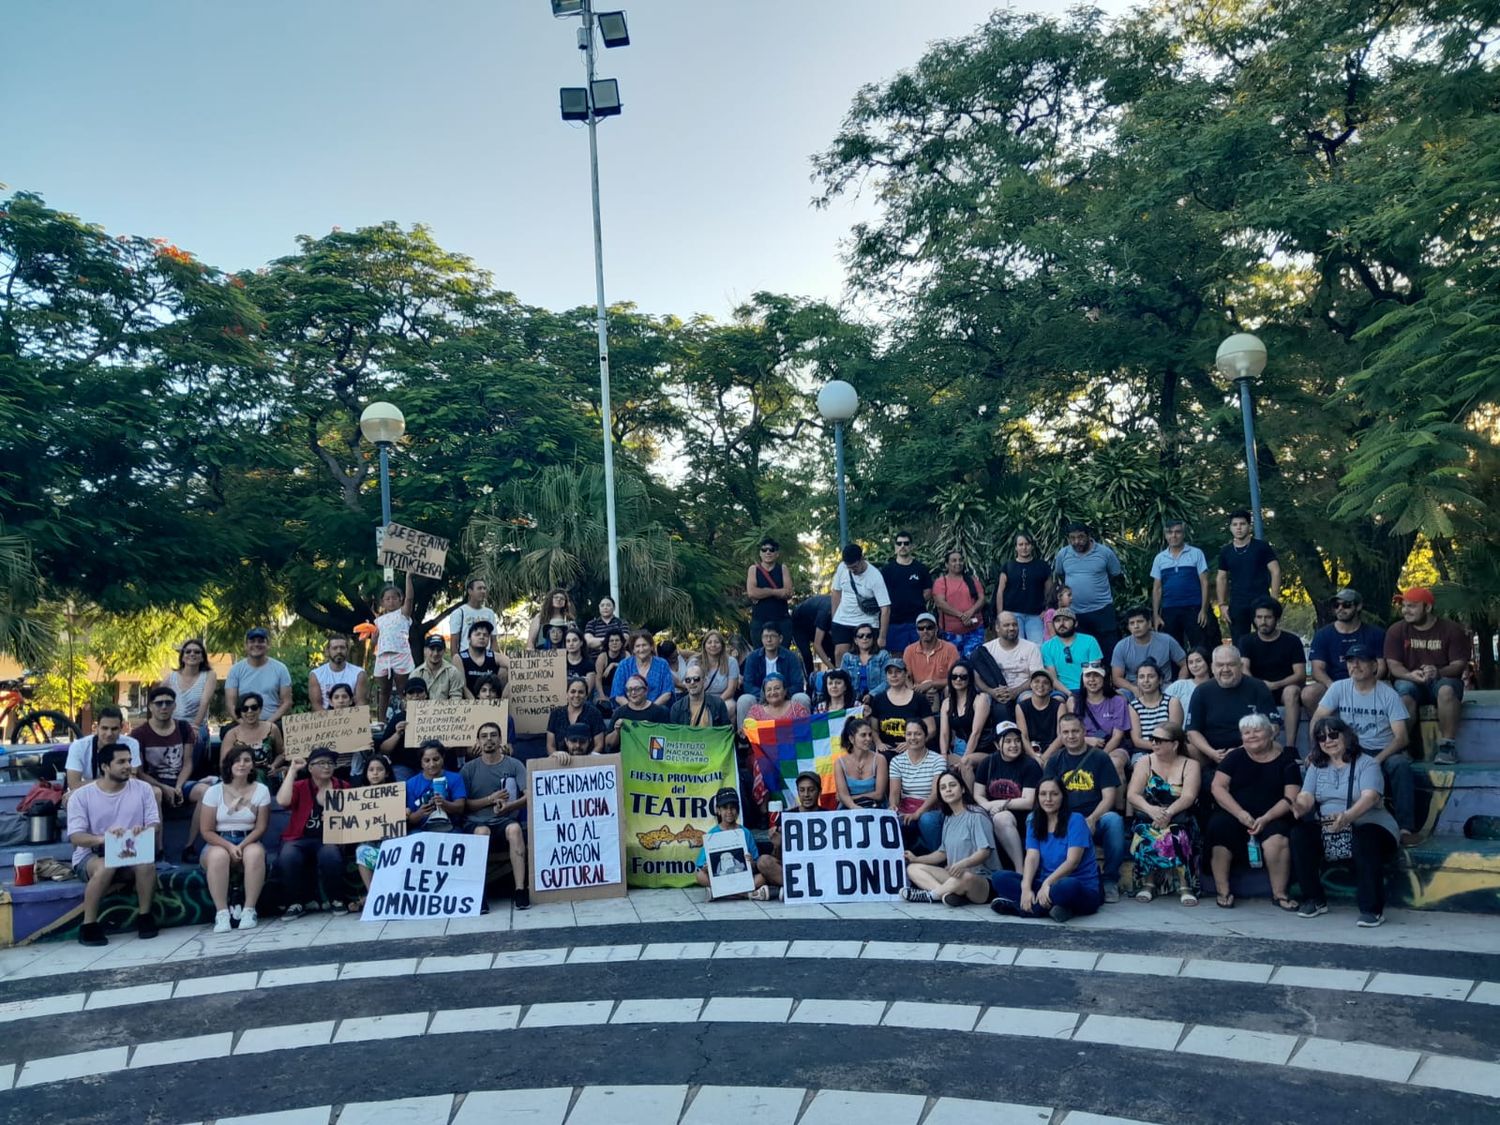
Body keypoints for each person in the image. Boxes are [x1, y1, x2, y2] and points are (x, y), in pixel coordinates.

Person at [1292, 716, 1401, 926]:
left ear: (1346, 736)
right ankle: (1314, 899)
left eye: (1333, 734)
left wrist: (1348, 817)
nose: (1328, 741)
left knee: (1364, 836)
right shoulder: (1316, 765)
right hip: (1331, 828)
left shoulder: (1367, 763)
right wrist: (1300, 806)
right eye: (1321, 737)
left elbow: (1371, 797)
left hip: (1371, 825)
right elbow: (1307, 795)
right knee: (1300, 834)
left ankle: (1372, 909)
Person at [1310, 645, 1416, 841]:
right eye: (1350, 661)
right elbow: (1318, 719)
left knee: (1400, 765)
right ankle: (1319, 825)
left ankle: (1406, 829)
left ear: (1375, 666)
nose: (1355, 665)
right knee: (1313, 766)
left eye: (1361, 660)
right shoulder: (1338, 688)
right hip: (1349, 747)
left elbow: (1402, 738)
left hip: (1381, 749)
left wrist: (1376, 760)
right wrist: (1316, 749)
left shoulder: (1388, 694)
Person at [67, 742, 160, 946]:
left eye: (129, 760)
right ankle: (89, 925)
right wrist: (102, 839)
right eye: (121, 762)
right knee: (105, 866)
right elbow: (76, 837)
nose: (128, 765)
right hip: (92, 854)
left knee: (146, 864)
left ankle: (145, 917)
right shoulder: (82, 796)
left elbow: (154, 823)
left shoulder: (144, 789)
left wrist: (144, 830)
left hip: (131, 850)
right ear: (105, 767)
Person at [1207, 714, 1301, 910]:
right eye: (1246, 733)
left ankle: (1279, 894)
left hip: (1273, 814)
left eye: (1257, 731)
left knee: (1278, 838)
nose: (1251, 736)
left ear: (1271, 733)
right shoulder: (1234, 757)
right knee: (1219, 827)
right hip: (1236, 813)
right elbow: (1218, 787)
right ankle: (1223, 891)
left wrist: (1266, 818)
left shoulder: (1287, 759)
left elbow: (1291, 797)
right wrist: (1240, 813)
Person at [989, 777, 1104, 921]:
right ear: (1037, 797)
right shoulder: (1035, 821)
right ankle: (1058, 908)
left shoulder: (1076, 820)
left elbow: (1072, 862)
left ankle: (1023, 909)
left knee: (1068, 886)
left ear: (1063, 796)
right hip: (1045, 886)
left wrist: (1047, 883)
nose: (1048, 799)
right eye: (1043, 794)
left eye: (1054, 794)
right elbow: (1032, 857)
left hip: (1079, 887)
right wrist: (1026, 887)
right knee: (999, 878)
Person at [1042, 714, 1124, 902]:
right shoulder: (1055, 760)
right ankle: (1045, 876)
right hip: (1064, 819)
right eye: (1066, 732)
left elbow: (1109, 797)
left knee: (1114, 821)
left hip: (1093, 818)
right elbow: (1046, 796)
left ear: (1084, 732)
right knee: (1032, 820)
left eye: (1075, 731)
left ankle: (1110, 880)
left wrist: (1093, 818)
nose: (1071, 736)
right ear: (1060, 735)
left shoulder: (1100, 758)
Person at [1384, 586, 1470, 764]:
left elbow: (1459, 664)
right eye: (1404, 606)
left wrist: (1438, 672)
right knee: (1404, 692)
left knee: (1446, 690)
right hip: (1411, 681)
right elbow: (1393, 665)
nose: (1405, 610)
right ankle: (1402, 746)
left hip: (1442, 681)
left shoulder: (1451, 630)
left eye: (1412, 606)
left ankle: (1447, 747)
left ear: (1428, 607)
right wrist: (1410, 675)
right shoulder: (1396, 630)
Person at [1126, 722, 1202, 906]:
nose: (1154, 743)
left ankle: (1185, 885)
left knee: (1177, 835)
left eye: (1159, 740)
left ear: (1175, 744)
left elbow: (1189, 796)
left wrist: (1167, 813)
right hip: (1149, 813)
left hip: (1179, 815)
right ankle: (1148, 883)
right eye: (1152, 739)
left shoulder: (1190, 765)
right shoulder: (1145, 762)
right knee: (1145, 833)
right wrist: (1151, 810)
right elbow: (1132, 794)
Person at [901, 770, 1001, 906]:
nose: (948, 790)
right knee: (913, 868)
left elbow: (984, 852)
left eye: (952, 785)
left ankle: (931, 895)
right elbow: (942, 853)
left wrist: (963, 864)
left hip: (982, 880)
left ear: (963, 789)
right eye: (943, 788)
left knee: (964, 877)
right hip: (955, 876)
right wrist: (916, 859)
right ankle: (947, 894)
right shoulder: (949, 818)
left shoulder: (977, 815)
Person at [199, 746, 270, 933]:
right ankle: (221, 913)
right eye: (237, 761)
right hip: (219, 840)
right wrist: (230, 846)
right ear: (229, 765)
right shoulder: (214, 791)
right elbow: (206, 830)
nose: (242, 764)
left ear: (253, 765)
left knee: (255, 854)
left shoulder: (261, 790)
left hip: (249, 839)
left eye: (247, 760)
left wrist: (242, 845)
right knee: (218, 857)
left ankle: (249, 910)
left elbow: (261, 827)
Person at [461, 722, 531, 911]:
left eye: (493, 735)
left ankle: (520, 890)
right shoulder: (469, 768)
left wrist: (509, 807)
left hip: (505, 820)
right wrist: (490, 800)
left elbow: (528, 795)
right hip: (477, 822)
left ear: (500, 739)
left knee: (515, 830)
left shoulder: (514, 764)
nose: (489, 739)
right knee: (482, 832)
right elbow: (464, 804)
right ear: (478, 741)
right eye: (484, 736)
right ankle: (479, 893)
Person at [132, 684, 204, 862]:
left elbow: (187, 763)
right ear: (150, 707)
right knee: (154, 794)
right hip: (153, 784)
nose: (163, 707)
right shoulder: (139, 734)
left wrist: (178, 787)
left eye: (168, 703)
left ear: (174, 706)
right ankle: (159, 850)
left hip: (179, 782)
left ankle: (190, 846)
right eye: (159, 703)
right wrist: (164, 788)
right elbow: (139, 773)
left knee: (206, 792)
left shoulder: (183, 728)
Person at [275, 746, 350, 916]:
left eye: (330, 763)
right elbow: (282, 801)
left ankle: (336, 899)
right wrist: (292, 771)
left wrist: (336, 819)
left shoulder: (343, 786)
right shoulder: (300, 786)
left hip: (329, 839)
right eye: (321, 763)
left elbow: (354, 817)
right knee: (288, 855)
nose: (326, 767)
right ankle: (294, 903)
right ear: (310, 768)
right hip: (299, 838)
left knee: (330, 854)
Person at [1186, 646, 1276, 769]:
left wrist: (1242, 749)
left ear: (1241, 665)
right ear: (1212, 667)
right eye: (1220, 665)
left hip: (1251, 749)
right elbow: (1192, 731)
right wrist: (1212, 753)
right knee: (1189, 748)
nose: (1225, 669)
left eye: (1231, 664)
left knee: (1276, 747)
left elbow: (1273, 726)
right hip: (1211, 754)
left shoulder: (1258, 687)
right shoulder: (1202, 691)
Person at [1301, 588, 1386, 715]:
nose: (1340, 608)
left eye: (1346, 605)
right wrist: (1333, 687)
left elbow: (1381, 667)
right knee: (1309, 693)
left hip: (1367, 681)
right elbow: (1317, 670)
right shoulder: (1323, 635)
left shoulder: (1375, 633)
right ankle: (1324, 729)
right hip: (1332, 683)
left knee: (1391, 691)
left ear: (1358, 606)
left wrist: (1366, 685)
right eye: (1336, 605)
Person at [971, 721, 1041, 870]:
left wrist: (999, 805)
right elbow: (978, 794)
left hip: (1022, 816)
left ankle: (1020, 870)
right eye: (1008, 741)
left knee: (1001, 818)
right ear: (997, 744)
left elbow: (1028, 801)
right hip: (992, 812)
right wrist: (989, 807)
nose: (1014, 745)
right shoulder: (988, 763)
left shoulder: (1030, 765)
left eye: (1017, 740)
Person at [1238, 597, 1307, 744]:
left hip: (1283, 689)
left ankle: (1290, 747)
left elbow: (1300, 674)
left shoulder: (1292, 641)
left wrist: (1275, 684)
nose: (1263, 621)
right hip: (1256, 688)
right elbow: (1244, 668)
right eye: (1259, 617)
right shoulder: (1246, 641)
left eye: (1268, 617)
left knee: (1292, 691)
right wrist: (1260, 685)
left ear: (1276, 619)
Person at [1053, 522, 1124, 656]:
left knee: (1109, 651)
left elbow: (1115, 574)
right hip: (1075, 612)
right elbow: (1060, 574)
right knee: (1082, 652)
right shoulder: (1063, 554)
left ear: (1089, 536)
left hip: (1102, 609)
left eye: (1080, 537)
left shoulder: (1105, 553)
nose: (1076, 541)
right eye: (1072, 538)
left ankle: (1111, 677)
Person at [753, 771, 823, 897]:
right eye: (802, 790)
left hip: (821, 868)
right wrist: (778, 845)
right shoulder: (786, 817)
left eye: (811, 790)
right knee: (763, 861)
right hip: (795, 869)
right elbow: (779, 858)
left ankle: (790, 889)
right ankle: (799, 887)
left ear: (819, 791)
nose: (806, 795)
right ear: (798, 792)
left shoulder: (830, 816)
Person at [1215, 510, 1281, 644]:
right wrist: (1222, 604)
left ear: (1249, 526)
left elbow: (1276, 571)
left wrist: (1273, 600)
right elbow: (1221, 578)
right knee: (1240, 644)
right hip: (1237, 603)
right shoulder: (1226, 551)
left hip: (1261, 600)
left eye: (1242, 524)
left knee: (1266, 639)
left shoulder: (1261, 547)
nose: (1238, 527)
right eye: (1235, 524)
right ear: (1230, 527)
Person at [693, 787, 763, 900]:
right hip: (721, 878)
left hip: (741, 877)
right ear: (718, 810)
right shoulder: (712, 835)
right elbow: (701, 866)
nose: (729, 812)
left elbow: (756, 862)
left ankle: (721, 893)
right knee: (700, 876)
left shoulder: (745, 833)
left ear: (738, 809)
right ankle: (746, 894)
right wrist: (707, 867)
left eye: (733, 808)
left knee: (762, 877)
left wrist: (751, 862)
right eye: (725, 808)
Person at [890, 718, 948, 853]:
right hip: (906, 805)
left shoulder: (937, 759)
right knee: (893, 821)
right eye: (909, 734)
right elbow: (894, 792)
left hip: (931, 807)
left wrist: (918, 813)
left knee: (927, 820)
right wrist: (893, 806)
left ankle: (939, 856)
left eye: (918, 734)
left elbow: (936, 793)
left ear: (926, 736)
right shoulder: (896, 761)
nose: (913, 738)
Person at [1150, 519, 1211, 648]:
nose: (1174, 535)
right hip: (1169, 609)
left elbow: (1205, 583)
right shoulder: (1160, 558)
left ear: (1183, 534)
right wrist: (1156, 616)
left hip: (1194, 608)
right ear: (1165, 535)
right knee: (1173, 649)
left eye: (1178, 532)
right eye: (1170, 532)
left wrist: (1203, 610)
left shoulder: (1196, 553)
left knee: (1200, 647)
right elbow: (1157, 589)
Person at [737, 621, 811, 727]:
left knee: (802, 698)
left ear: (780, 638)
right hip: (761, 697)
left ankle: (804, 734)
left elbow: (798, 685)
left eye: (772, 636)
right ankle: (745, 738)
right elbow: (748, 684)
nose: (769, 640)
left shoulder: (791, 657)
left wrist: (780, 695)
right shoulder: (752, 657)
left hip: (786, 697)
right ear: (761, 639)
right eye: (765, 636)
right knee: (744, 700)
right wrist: (767, 696)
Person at [828, 542, 891, 662]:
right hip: (843, 619)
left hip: (866, 621)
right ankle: (840, 679)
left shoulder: (875, 576)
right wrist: (834, 618)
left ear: (862, 559)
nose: (852, 570)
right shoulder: (842, 567)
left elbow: (885, 608)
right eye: (849, 568)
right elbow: (836, 592)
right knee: (840, 653)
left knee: (866, 657)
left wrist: (882, 637)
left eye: (855, 567)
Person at [350, 754, 397, 914]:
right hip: (371, 845)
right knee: (361, 851)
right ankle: (373, 894)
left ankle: (374, 896)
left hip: (393, 848)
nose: (375, 773)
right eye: (371, 770)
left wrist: (406, 812)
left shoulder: (397, 793)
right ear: (366, 773)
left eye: (379, 769)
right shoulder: (357, 797)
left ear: (387, 773)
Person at [1073, 662, 1131, 792]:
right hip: (1083, 745)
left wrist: (1100, 756)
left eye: (1096, 676)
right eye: (1088, 676)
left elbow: (1117, 736)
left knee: (1114, 764)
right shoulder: (1075, 701)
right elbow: (1068, 731)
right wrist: (1086, 740)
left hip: (1114, 747)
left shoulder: (1118, 700)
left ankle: (1119, 810)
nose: (1092, 680)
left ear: (1104, 679)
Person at [975, 612, 1043, 718]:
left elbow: (1036, 676)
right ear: (997, 628)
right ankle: (977, 734)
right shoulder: (987, 649)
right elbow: (977, 676)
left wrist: (1015, 692)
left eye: (1015, 624)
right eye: (1006, 625)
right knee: (982, 699)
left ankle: (1029, 733)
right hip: (995, 691)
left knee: (1029, 699)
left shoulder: (1031, 647)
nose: (1012, 628)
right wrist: (991, 691)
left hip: (1023, 690)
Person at [224, 627, 292, 725]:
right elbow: (230, 704)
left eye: (261, 641)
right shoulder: (235, 670)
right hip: (243, 722)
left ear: (268, 645)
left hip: (273, 722)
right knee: (226, 732)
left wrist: (268, 724)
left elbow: (287, 702)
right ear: (246, 645)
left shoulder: (281, 669)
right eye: (252, 641)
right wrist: (242, 723)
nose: (256, 644)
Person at [370, 573, 415, 720]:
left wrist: (408, 577)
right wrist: (374, 640)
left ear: (400, 599)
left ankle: (409, 718)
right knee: (384, 691)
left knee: (403, 691)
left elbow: (410, 598)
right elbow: (373, 645)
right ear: (382, 602)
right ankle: (381, 720)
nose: (391, 601)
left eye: (394, 598)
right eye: (387, 599)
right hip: (383, 657)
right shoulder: (379, 620)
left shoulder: (403, 614)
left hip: (400, 654)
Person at [882, 531, 934, 654]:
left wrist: (915, 601)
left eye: (906, 543)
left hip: (916, 621)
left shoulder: (920, 568)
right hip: (895, 621)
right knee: (897, 658)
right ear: (895, 547)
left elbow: (928, 591)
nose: (902, 546)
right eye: (899, 543)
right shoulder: (887, 570)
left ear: (911, 546)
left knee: (920, 654)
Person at [1111, 606, 1186, 691]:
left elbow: (1185, 664)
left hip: (1163, 686)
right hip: (1134, 687)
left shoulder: (1167, 640)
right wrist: (1133, 689)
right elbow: (1116, 678)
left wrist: (1179, 685)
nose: (1136, 626)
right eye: (1132, 623)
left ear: (1149, 623)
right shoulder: (1121, 646)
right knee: (1118, 698)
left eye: (1140, 622)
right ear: (1128, 627)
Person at [867, 660, 934, 755]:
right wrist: (878, 743)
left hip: (914, 750)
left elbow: (931, 729)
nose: (894, 675)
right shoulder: (878, 699)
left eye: (898, 671)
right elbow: (874, 728)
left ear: (906, 674)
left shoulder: (919, 699)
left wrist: (911, 743)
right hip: (886, 751)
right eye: (890, 672)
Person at [996, 532, 1052, 645]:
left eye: (1027, 544)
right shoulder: (1008, 566)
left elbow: (1049, 591)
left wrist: (1046, 610)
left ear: (1032, 546)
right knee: (1015, 646)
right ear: (1016, 547)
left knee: (1038, 647)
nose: (1024, 547)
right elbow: (1000, 592)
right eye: (1020, 544)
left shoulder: (1042, 566)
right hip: (1013, 615)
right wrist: (1000, 615)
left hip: (1035, 615)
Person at [164, 638, 215, 757]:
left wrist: (195, 727)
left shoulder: (209, 675)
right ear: (182, 657)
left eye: (197, 652)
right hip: (172, 724)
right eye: (188, 652)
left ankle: (190, 774)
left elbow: (205, 701)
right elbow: (157, 699)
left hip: (196, 725)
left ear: (202, 657)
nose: (192, 654)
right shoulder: (171, 677)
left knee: (193, 740)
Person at [931, 548, 986, 659]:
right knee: (955, 663)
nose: (958, 563)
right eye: (954, 560)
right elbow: (940, 603)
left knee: (975, 660)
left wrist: (970, 612)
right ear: (947, 564)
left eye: (960, 560)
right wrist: (961, 615)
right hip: (951, 633)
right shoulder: (941, 582)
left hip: (974, 630)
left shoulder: (972, 580)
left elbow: (982, 599)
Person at [218, 693, 285, 782]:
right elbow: (224, 764)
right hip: (240, 777)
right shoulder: (232, 735)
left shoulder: (272, 729)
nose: (250, 711)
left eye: (254, 707)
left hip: (267, 775)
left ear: (260, 709)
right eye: (245, 709)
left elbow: (282, 754)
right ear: (240, 712)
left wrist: (274, 765)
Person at [939, 661, 993, 770]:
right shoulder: (946, 703)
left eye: (963, 677)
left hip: (982, 749)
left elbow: (976, 733)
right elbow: (944, 733)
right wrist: (944, 755)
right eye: (954, 677)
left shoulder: (980, 699)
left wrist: (964, 758)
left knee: (965, 763)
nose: (958, 680)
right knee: (937, 763)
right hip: (959, 748)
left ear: (970, 679)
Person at [1040, 607, 1101, 700]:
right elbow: (1053, 679)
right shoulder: (1047, 647)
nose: (1061, 624)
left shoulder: (1090, 641)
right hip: (1062, 691)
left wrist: (1084, 692)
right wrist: (1070, 694)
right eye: (1057, 621)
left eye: (1066, 619)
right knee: (1057, 700)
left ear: (1075, 623)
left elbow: (1095, 672)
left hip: (1089, 687)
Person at [406, 740, 468, 830]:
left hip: (451, 828)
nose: (432, 764)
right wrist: (421, 812)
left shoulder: (455, 778)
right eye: (427, 760)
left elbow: (460, 808)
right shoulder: (411, 783)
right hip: (421, 831)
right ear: (421, 762)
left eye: (436, 759)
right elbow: (410, 819)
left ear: (443, 758)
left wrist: (444, 803)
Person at [376, 677, 429, 780]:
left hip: (430, 764)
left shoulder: (435, 716)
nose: (415, 696)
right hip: (403, 766)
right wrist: (397, 734)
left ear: (426, 694)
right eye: (411, 693)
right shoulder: (398, 718)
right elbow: (384, 749)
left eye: (419, 692)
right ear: (405, 697)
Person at [1126, 661, 1182, 758]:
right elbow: (1137, 740)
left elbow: (1175, 734)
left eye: (1151, 676)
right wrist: (1157, 747)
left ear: (1160, 680)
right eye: (1141, 677)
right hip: (1143, 752)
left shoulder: (1172, 702)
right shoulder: (1133, 706)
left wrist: (1163, 748)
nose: (1146, 680)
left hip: (1170, 750)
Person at [833, 717, 888, 810]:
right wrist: (854, 807)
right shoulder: (839, 763)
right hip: (849, 808)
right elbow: (843, 795)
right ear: (851, 739)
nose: (869, 739)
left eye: (870, 735)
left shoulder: (880, 759)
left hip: (875, 807)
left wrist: (853, 798)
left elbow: (879, 795)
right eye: (863, 735)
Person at [746, 536, 794, 640]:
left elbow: (788, 593)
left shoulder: (783, 569)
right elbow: (752, 593)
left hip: (781, 620)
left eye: (771, 550)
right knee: (759, 654)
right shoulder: (753, 569)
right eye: (764, 550)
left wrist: (762, 592)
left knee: (783, 654)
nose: (768, 552)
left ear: (777, 554)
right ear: (760, 553)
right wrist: (775, 592)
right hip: (759, 620)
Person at [612, 630, 675, 709]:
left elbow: (667, 693)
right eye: (637, 646)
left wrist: (648, 710)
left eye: (644, 645)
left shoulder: (662, 664)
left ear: (651, 647)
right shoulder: (624, 665)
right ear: (633, 649)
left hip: (656, 710)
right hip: (629, 711)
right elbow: (618, 695)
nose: (641, 649)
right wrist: (635, 711)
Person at [605, 675, 670, 750]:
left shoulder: (660, 711)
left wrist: (651, 729)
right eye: (629, 690)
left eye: (637, 689)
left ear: (646, 690)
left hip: (649, 757)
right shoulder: (620, 712)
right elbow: (608, 744)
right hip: (625, 756)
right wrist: (617, 731)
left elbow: (667, 740)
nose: (633, 692)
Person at [903, 612, 959, 695]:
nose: (925, 631)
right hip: (918, 690)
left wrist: (931, 684)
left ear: (936, 628)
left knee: (949, 689)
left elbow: (955, 677)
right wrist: (913, 692)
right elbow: (906, 677)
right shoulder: (909, 650)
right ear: (917, 631)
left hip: (942, 690)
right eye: (921, 628)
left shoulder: (950, 649)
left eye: (929, 627)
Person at [308, 634, 367, 711]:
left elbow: (361, 702)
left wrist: (350, 720)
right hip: (326, 719)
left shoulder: (359, 673)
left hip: (353, 719)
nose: (339, 651)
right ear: (327, 651)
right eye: (335, 648)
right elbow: (316, 704)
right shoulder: (316, 675)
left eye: (342, 648)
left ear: (347, 650)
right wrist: (332, 721)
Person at [1015, 670, 1065, 759]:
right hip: (1031, 751)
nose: (1040, 685)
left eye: (1045, 683)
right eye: (1036, 681)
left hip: (1053, 751)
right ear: (1030, 685)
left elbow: (1060, 736)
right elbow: (1024, 736)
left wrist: (1044, 758)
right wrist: (1035, 757)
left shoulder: (1060, 706)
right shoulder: (1021, 707)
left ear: (1051, 688)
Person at [547, 678, 608, 753]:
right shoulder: (556, 714)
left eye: (581, 692)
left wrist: (586, 761)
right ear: (567, 694)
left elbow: (599, 745)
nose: (576, 695)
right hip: (560, 761)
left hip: (588, 760)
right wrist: (557, 755)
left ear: (586, 696)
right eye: (573, 692)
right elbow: (550, 746)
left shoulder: (594, 713)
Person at [839, 623, 892, 702]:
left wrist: (871, 695)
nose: (865, 638)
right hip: (852, 699)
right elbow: (842, 681)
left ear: (873, 639)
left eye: (868, 636)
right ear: (855, 640)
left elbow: (887, 681)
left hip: (878, 698)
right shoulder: (847, 657)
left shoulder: (883, 655)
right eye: (860, 636)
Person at [455, 620, 506, 699]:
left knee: (506, 669)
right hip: (469, 704)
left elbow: (515, 666)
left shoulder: (495, 656)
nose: (482, 637)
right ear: (469, 638)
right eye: (477, 634)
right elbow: (463, 686)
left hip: (492, 701)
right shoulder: (459, 658)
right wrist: (477, 706)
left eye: (485, 635)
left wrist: (503, 698)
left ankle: (502, 703)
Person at [447, 577, 498, 653]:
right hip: (466, 660)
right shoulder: (459, 613)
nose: (483, 591)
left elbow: (494, 640)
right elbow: (454, 643)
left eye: (484, 589)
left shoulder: (489, 613)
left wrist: (493, 659)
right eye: (479, 588)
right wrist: (457, 662)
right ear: (470, 591)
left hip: (486, 660)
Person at [791, 593, 835, 675]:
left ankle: (834, 677)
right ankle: (809, 681)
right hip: (799, 625)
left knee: (832, 651)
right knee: (806, 655)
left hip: (814, 621)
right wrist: (833, 668)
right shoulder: (825, 612)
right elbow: (817, 645)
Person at [415, 634, 465, 702]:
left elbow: (456, 697)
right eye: (432, 649)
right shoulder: (416, 674)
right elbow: (412, 699)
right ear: (425, 650)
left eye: (439, 649)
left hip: (448, 711)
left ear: (444, 651)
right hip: (423, 711)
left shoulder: (453, 672)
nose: (435, 653)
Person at [696, 630, 741, 705]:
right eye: (709, 642)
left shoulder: (731, 662)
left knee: (730, 706)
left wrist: (715, 703)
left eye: (717, 642)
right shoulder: (696, 662)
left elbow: (731, 689)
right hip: (701, 699)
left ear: (722, 645)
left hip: (724, 699)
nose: (713, 645)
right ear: (704, 645)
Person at [1166, 646, 1212, 717]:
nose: (1194, 665)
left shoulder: (1216, 685)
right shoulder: (1179, 685)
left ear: (1207, 662)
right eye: (1190, 662)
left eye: (1198, 661)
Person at [594, 628, 628, 714]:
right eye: (611, 641)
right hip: (604, 690)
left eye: (617, 640)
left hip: (622, 691)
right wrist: (602, 696)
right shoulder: (602, 657)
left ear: (621, 642)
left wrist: (613, 665)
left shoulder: (626, 655)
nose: (614, 643)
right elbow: (598, 679)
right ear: (608, 643)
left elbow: (630, 672)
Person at [560, 626, 596, 694]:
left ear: (581, 643)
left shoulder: (589, 664)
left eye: (574, 640)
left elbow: (588, 692)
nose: (571, 644)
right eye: (568, 641)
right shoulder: (560, 662)